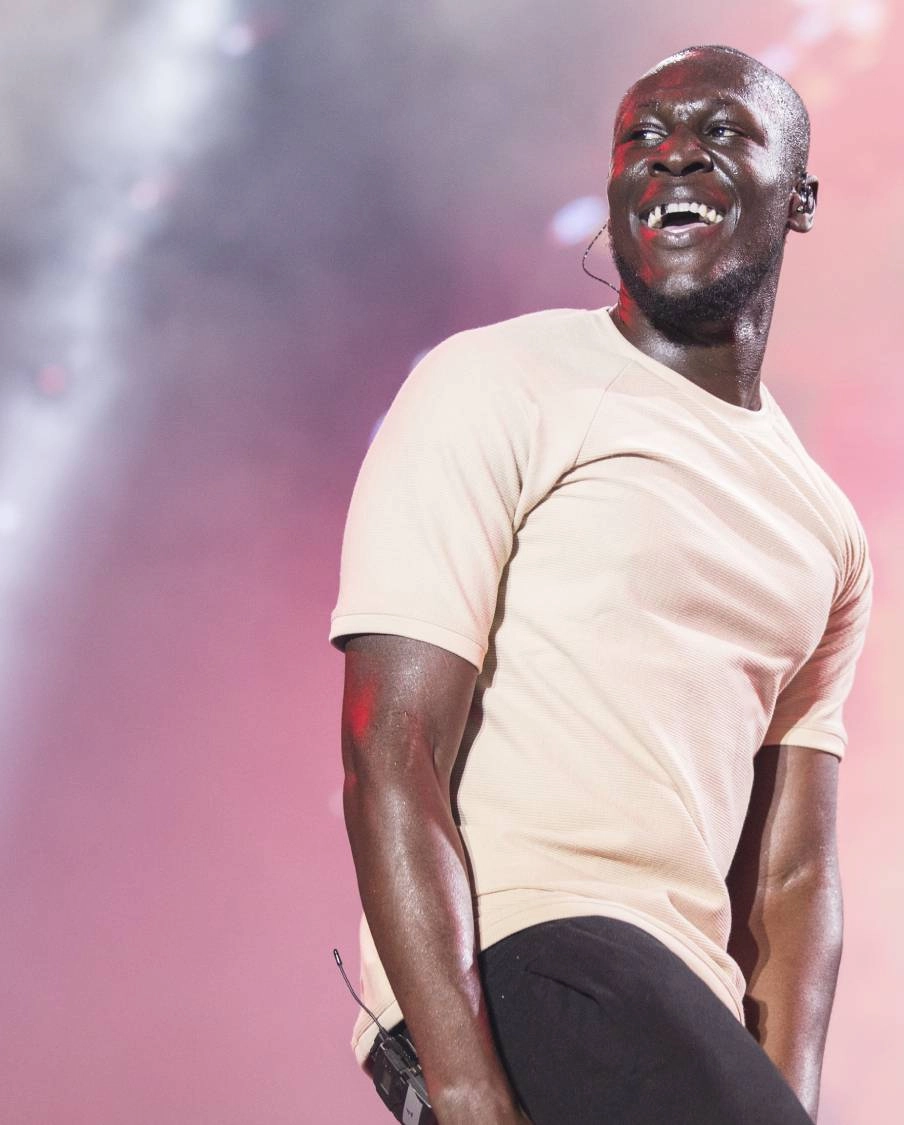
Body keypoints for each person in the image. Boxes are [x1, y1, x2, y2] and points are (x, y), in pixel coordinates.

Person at [332, 44, 871, 1125]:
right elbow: (390, 745)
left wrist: (781, 1101)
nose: (673, 154)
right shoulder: (500, 381)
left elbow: (792, 877)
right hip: (517, 946)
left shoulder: (826, 529)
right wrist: (466, 1087)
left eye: (722, 131)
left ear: (799, 199)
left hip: (677, 1000)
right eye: (642, 138)